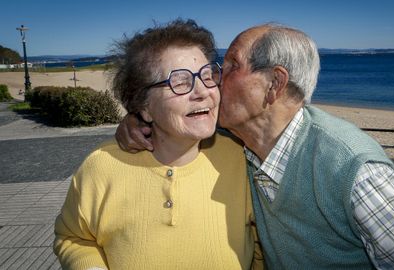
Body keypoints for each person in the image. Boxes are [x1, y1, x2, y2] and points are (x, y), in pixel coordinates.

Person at [116, 24, 394, 269]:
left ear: (274, 84)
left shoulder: (352, 170)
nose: (215, 79)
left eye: (232, 65)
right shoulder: (229, 139)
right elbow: (174, 123)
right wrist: (138, 121)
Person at [54, 19, 262, 270]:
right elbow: (73, 237)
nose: (202, 91)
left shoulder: (243, 160)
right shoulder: (101, 167)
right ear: (144, 106)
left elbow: (261, 246)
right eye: (181, 81)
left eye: (207, 76)